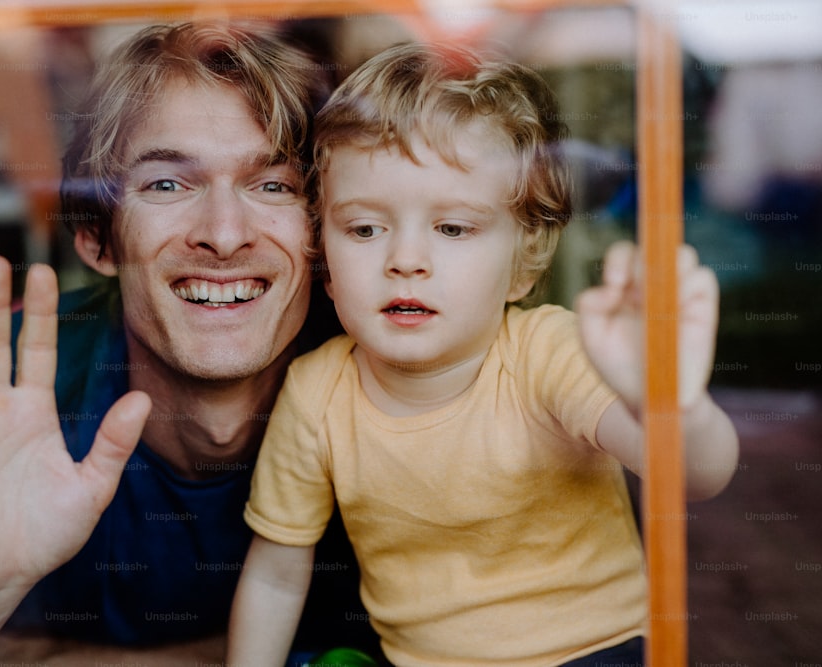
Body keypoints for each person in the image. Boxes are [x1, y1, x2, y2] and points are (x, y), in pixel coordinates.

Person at [227, 43, 740, 667]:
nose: (405, 259)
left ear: (523, 264)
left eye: (453, 228)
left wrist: (669, 402)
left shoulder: (547, 352)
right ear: (324, 262)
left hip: (598, 652)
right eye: (364, 229)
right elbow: (278, 574)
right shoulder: (314, 393)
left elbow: (694, 475)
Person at [0, 22, 372, 665]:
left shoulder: (401, 395)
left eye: (273, 184)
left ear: (322, 234)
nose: (224, 235)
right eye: (167, 184)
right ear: (97, 239)